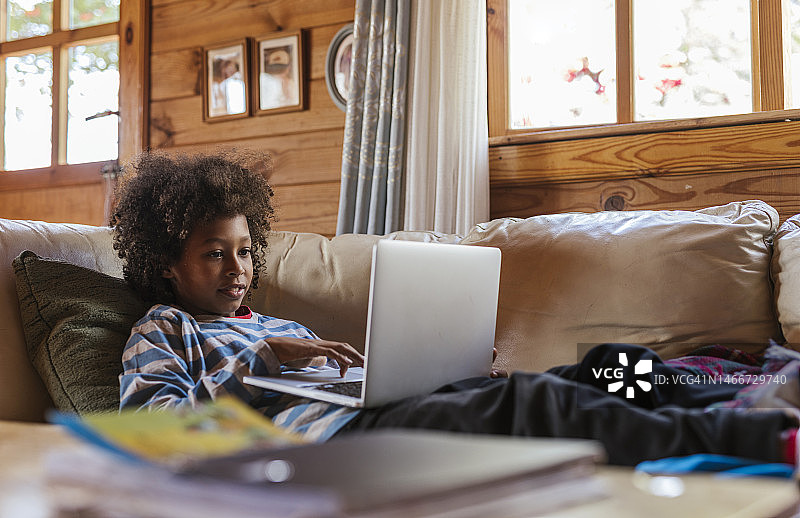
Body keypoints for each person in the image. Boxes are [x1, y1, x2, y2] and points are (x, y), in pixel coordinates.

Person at [113, 150, 799, 466]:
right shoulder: (163, 329)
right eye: (214, 253)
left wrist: (447, 362)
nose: (238, 269)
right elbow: (157, 431)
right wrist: (260, 361)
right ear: (166, 262)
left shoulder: (278, 323)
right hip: (338, 444)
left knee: (602, 367)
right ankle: (761, 440)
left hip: (383, 407)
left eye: (243, 251)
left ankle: (741, 392)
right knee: (535, 405)